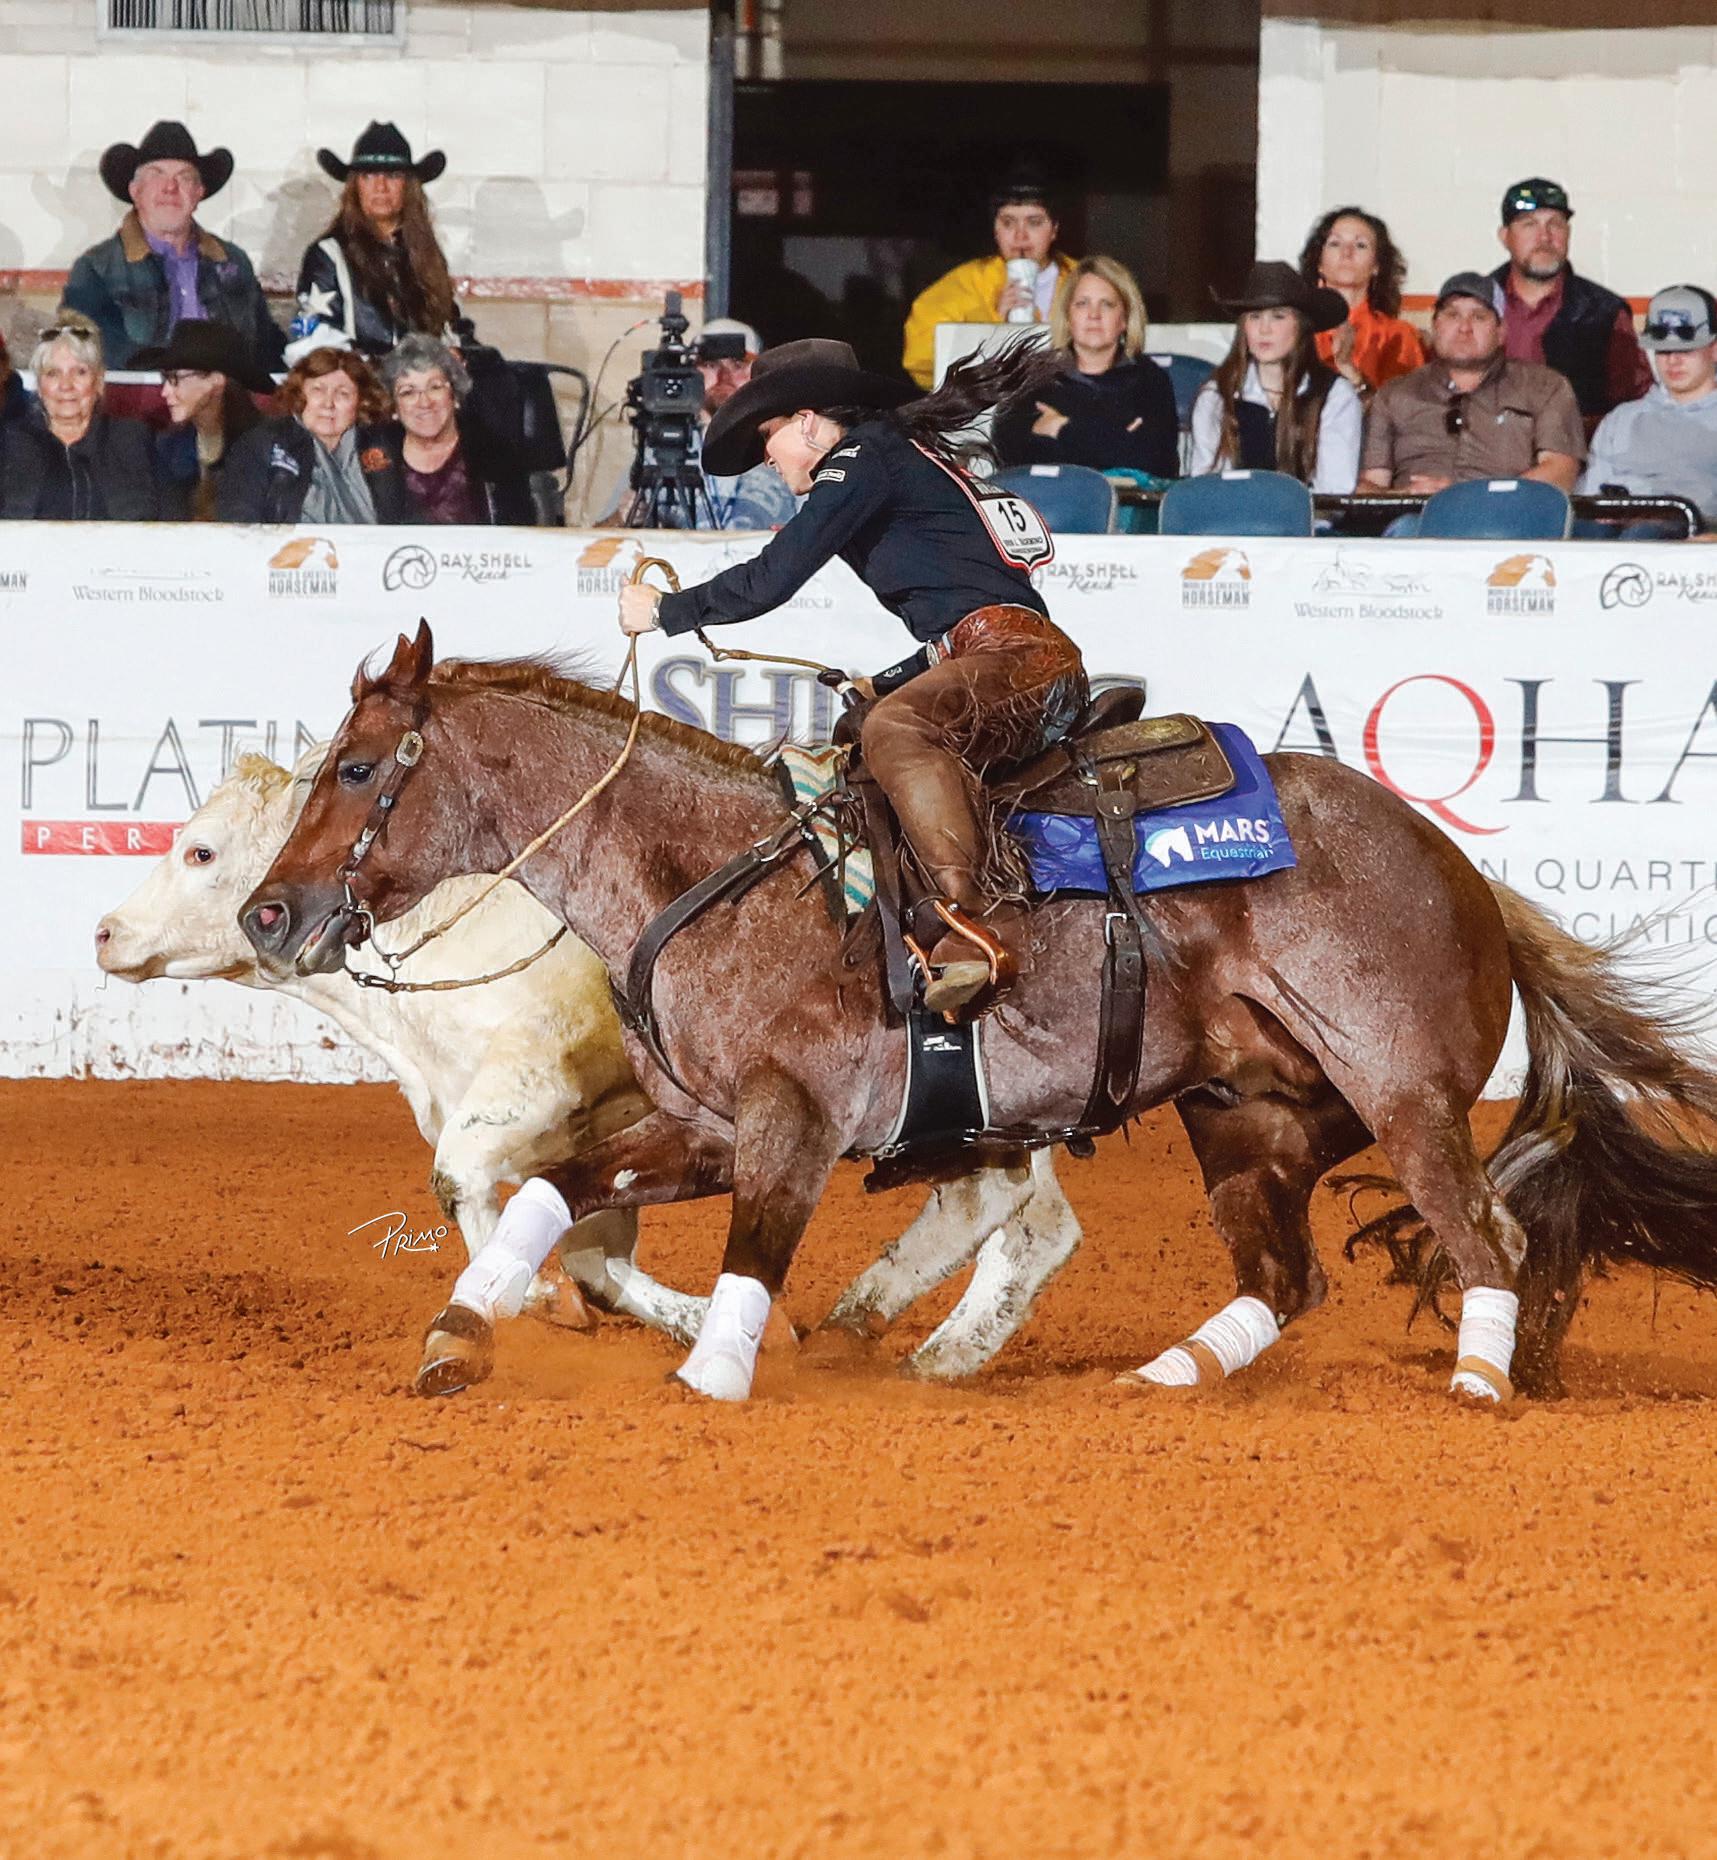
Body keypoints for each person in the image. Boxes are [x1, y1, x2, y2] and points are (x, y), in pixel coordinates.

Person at [616, 337, 1087, 1018]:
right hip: (1013, 658)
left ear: (808, 422)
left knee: (895, 730)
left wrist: (667, 611)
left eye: (769, 436)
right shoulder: (894, 456)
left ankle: (974, 923)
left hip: (1015, 659)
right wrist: (888, 679)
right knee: (865, 731)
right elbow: (965, 609)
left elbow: (773, 576)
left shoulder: (862, 456)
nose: (768, 458)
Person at [61, 120, 283, 373]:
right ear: (135, 191)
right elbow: (88, 355)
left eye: (184, 177)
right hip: (141, 396)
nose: (170, 187)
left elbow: (266, 349)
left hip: (228, 396)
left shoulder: (234, 262)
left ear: (198, 193)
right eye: (157, 175)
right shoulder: (96, 268)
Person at [1358, 271, 1586, 496]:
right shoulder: (1394, 395)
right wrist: (1405, 495)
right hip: (1415, 515)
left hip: (1506, 513)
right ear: (1435, 326)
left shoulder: (1544, 387)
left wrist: (1475, 499)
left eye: (1478, 317)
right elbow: (1369, 486)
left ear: (1501, 332)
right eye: (1452, 315)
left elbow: (1560, 473)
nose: (1464, 328)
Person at [991, 256, 1179, 477]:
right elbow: (1009, 453)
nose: (1094, 315)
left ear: (1125, 319)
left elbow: (1157, 463)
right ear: (1068, 316)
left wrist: (1061, 428)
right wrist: (1115, 439)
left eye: (1107, 304)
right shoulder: (1032, 376)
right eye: (1082, 304)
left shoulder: (1150, 380)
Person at [291, 123, 460, 362]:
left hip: (425, 377)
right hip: (360, 378)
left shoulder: (427, 254)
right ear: (355, 186)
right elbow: (316, 338)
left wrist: (457, 355)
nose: (380, 187)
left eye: (392, 176)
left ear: (408, 186)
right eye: (368, 176)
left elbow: (453, 328)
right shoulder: (329, 254)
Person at [1188, 262, 1362, 493]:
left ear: (1301, 326)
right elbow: (1208, 487)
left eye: (1278, 317)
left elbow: (1334, 491)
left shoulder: (1334, 395)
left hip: (1308, 516)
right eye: (1255, 317)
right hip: (1235, 514)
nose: (1264, 329)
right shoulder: (1217, 395)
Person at [1489, 177, 1648, 428]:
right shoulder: (1472, 307)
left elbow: (1635, 406)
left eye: (1555, 224)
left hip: (1579, 449)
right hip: (1483, 448)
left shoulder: (1605, 313)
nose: (1544, 237)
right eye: (1529, 224)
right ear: (1505, 236)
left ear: (1568, 233)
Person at [901, 169, 1079, 391]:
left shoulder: (1082, 279)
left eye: (1034, 223)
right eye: (1008, 223)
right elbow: (920, 358)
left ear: (1054, 229)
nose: (1020, 236)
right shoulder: (967, 283)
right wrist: (992, 326)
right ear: (996, 229)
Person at [218, 348, 416, 525]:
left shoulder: (388, 443)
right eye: (317, 391)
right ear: (300, 395)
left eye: (343, 394)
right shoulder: (262, 444)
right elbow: (239, 521)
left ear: (361, 402)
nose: (328, 404)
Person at [1580, 285, 1717, 530]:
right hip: (1612, 538)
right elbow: (1590, 501)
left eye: (1686, 349)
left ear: (1714, 349)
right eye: (1663, 350)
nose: (1673, 360)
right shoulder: (1620, 421)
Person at [0, 316, 163, 519]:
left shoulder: (131, 439)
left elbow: (168, 522)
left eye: (80, 372)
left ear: (99, 381)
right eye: (52, 373)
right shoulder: (9, 443)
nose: (66, 385)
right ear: (39, 387)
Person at [379, 333, 535, 525]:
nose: (424, 402)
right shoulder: (374, 457)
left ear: (455, 396)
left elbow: (520, 533)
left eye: (435, 387)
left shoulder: (497, 457)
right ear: (394, 407)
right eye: (408, 392)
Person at [134, 319, 272, 521]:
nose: (165, 392)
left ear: (216, 380)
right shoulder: (168, 448)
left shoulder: (266, 448)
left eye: (175, 379)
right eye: (165, 379)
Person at [1298, 206, 1426, 396]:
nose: (1347, 252)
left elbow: (1404, 409)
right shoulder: (1296, 330)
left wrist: (1350, 371)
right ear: (1319, 263)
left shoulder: (1398, 335)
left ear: (1376, 266)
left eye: (1360, 245)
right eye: (1335, 243)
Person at [695, 318, 800, 529]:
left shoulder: (789, 443)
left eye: (738, 364)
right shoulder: (663, 448)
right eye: (710, 365)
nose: (724, 377)